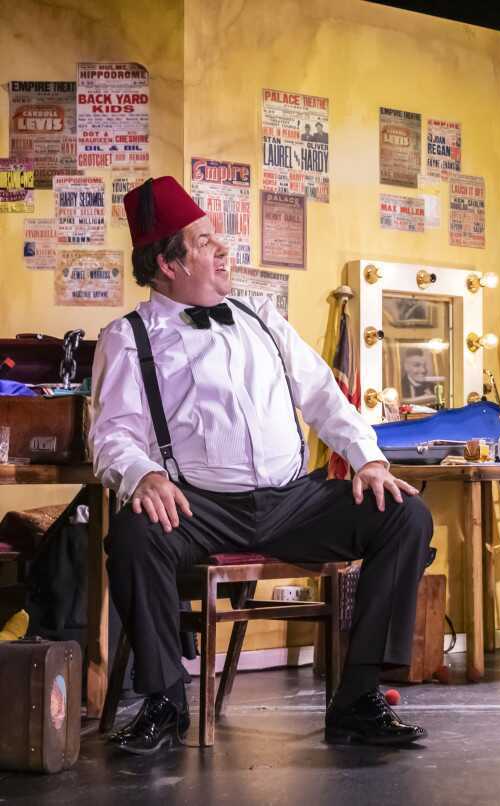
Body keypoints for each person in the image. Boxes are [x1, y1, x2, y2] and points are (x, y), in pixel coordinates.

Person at [92, 176, 433, 754]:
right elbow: (111, 435)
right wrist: (143, 475)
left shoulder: (261, 317)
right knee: (132, 535)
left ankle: (358, 698)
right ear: (168, 265)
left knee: (404, 513)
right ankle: (165, 704)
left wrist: (369, 461)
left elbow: (323, 395)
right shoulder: (128, 338)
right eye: (204, 242)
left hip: (292, 502)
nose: (222, 249)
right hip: (198, 507)